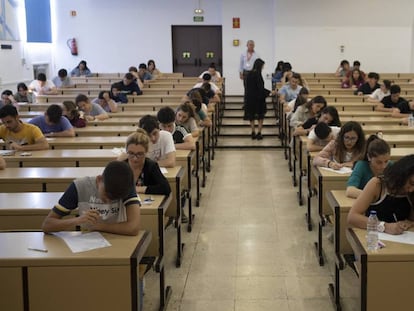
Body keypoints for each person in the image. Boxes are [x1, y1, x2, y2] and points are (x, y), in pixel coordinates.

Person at [42, 161, 141, 236]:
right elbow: (47, 225)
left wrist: (100, 226)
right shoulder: (79, 186)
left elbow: (133, 228)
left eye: (115, 199)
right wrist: (77, 220)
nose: (108, 201)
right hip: (88, 240)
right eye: (107, 195)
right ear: (99, 179)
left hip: (117, 238)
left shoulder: (125, 186)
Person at [347, 154, 414, 235]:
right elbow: (352, 217)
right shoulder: (377, 184)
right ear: (402, 175)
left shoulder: (411, 192)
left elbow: (411, 219)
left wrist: (409, 222)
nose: (411, 189)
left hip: (403, 238)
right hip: (375, 237)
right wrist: (384, 226)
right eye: (411, 183)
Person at [119, 129, 171, 196]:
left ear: (146, 152)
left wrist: (138, 189)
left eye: (139, 154)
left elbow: (166, 189)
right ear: (126, 151)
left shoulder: (151, 166)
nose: (135, 158)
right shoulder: (121, 167)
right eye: (131, 153)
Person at [244, 58, 275, 140]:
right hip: (258, 99)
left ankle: (253, 131)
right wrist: (270, 92)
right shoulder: (258, 74)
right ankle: (259, 132)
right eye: (263, 66)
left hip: (250, 98)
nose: (263, 67)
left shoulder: (249, 74)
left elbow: (247, 87)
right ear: (260, 66)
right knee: (260, 116)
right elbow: (260, 88)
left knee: (251, 115)